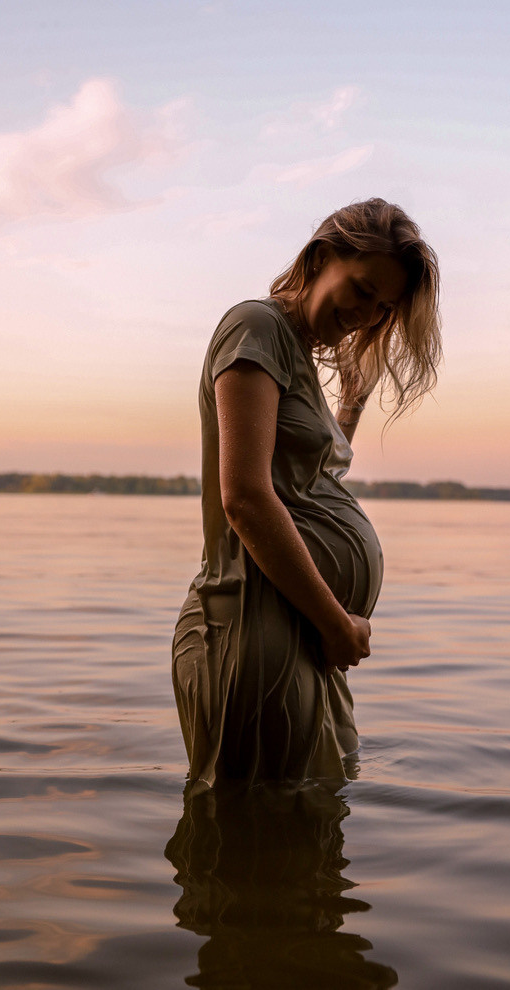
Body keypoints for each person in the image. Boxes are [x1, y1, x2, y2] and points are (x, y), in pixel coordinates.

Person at [172, 198, 441, 792]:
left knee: (311, 843)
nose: (368, 316)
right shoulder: (256, 327)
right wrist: (336, 625)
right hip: (250, 627)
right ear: (321, 257)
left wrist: (351, 400)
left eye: (384, 307)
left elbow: (306, 482)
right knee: (248, 848)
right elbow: (244, 496)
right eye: (362, 289)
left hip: (298, 634)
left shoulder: (291, 349)